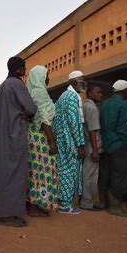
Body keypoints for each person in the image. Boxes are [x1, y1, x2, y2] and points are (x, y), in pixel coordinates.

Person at [0, 56, 37, 227]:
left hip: (0, 136)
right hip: (13, 135)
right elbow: (31, 107)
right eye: (24, 67)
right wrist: (25, 112)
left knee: (1, 173)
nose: (25, 70)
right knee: (14, 174)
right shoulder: (17, 84)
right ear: (19, 69)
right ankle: (7, 214)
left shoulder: (3, 85)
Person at [26, 65, 59, 216]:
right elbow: (43, 119)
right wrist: (52, 141)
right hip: (40, 138)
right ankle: (35, 205)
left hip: (33, 136)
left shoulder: (32, 91)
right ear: (39, 77)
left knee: (35, 170)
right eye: (46, 75)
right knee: (41, 171)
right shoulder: (39, 93)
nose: (48, 78)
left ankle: (35, 204)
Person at [53, 70, 86, 214]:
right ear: (74, 82)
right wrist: (80, 143)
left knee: (63, 169)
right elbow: (74, 122)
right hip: (69, 141)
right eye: (82, 81)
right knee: (69, 171)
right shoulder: (72, 97)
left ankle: (62, 201)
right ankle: (65, 205)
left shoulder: (62, 97)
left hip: (61, 139)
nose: (84, 84)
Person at [99, 79, 127, 217]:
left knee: (106, 174)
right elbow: (123, 129)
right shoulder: (123, 105)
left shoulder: (105, 103)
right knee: (120, 176)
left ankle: (104, 203)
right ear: (124, 91)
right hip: (119, 145)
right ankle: (115, 206)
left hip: (106, 144)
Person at [80, 85, 104, 211]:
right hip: (92, 145)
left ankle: (85, 199)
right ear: (89, 94)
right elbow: (93, 130)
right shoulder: (92, 108)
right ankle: (87, 202)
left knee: (86, 173)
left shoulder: (84, 106)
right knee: (89, 175)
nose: (100, 95)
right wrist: (95, 150)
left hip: (86, 144)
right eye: (98, 92)